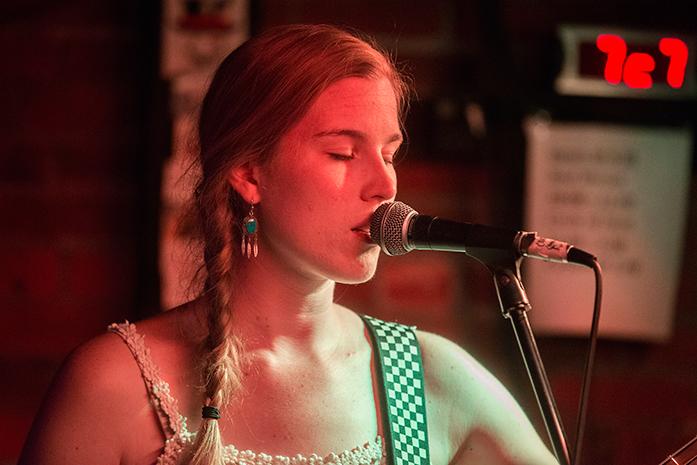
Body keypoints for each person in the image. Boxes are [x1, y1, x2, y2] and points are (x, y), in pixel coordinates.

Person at [19, 24, 559, 465]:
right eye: (343, 154)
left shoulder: (428, 377)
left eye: (389, 153)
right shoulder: (114, 383)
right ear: (249, 173)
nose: (385, 185)